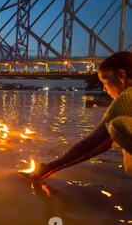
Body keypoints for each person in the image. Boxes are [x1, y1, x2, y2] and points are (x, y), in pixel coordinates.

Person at [23, 52, 132, 180]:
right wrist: (50, 169)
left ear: (121, 75)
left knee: (117, 125)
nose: (104, 89)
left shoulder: (127, 97)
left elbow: (88, 145)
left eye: (105, 80)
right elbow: (102, 144)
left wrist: (48, 167)